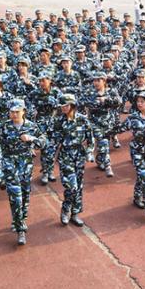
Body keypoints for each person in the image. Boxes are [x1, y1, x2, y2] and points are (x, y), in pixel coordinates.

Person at [0, 99, 46, 245]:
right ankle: (20, 230)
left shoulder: (31, 126)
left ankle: (20, 219)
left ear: (23, 111)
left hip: (25, 165)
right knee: (16, 197)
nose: (14, 114)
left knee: (25, 195)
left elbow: (44, 142)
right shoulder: (4, 127)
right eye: (11, 112)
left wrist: (31, 139)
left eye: (17, 112)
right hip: (9, 164)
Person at [52, 94, 93, 226]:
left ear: (72, 105)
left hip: (79, 156)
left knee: (79, 186)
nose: (63, 108)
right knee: (72, 186)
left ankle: (75, 213)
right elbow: (53, 140)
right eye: (62, 106)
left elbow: (90, 139)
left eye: (66, 105)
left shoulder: (83, 120)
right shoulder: (59, 121)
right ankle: (65, 210)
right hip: (66, 156)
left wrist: (89, 152)